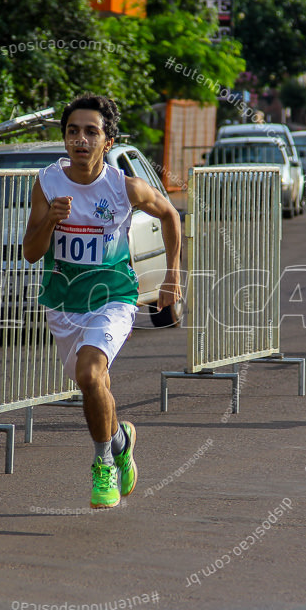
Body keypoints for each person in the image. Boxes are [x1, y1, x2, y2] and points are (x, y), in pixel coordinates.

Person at [22, 93, 182, 509]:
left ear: (107, 141)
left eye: (91, 132)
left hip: (114, 297)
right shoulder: (47, 182)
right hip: (63, 302)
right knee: (95, 388)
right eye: (72, 131)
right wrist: (51, 221)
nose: (80, 140)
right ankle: (121, 439)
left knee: (91, 376)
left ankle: (103, 464)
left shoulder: (124, 187)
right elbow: (31, 252)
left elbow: (170, 214)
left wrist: (173, 275)